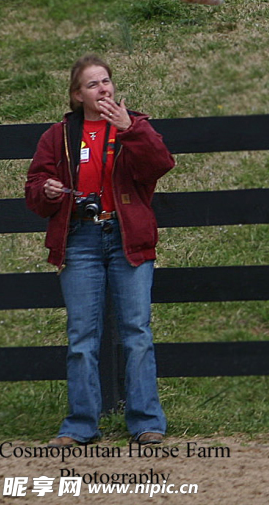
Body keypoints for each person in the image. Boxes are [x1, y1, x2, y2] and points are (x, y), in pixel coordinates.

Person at [25, 55, 174, 446]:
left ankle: (146, 423)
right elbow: (35, 189)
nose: (103, 89)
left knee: (136, 333)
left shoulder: (134, 124)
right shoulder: (57, 136)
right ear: (77, 95)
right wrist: (48, 190)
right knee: (82, 338)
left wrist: (130, 130)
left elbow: (160, 164)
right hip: (80, 240)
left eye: (106, 81)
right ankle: (80, 425)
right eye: (93, 84)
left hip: (127, 238)